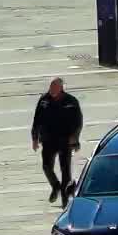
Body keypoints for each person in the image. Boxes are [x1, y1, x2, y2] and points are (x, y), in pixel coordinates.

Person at [31, 77, 84, 205]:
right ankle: (55, 185)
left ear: (61, 88)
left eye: (54, 88)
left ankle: (65, 202)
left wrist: (75, 137)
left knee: (66, 171)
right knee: (46, 166)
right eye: (51, 87)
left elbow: (78, 122)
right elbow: (37, 119)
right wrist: (34, 138)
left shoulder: (71, 101)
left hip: (65, 140)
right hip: (48, 139)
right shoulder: (44, 100)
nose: (52, 90)